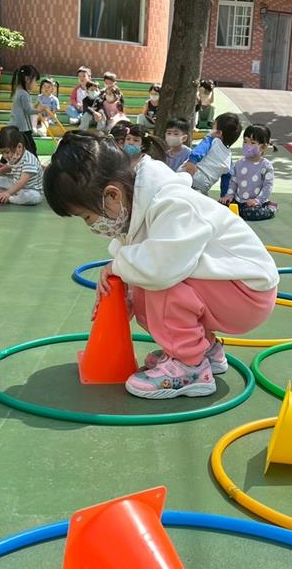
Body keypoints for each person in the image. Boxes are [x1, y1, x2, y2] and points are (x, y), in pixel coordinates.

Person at [43, 133, 279, 399]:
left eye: (87, 216)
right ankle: (205, 350)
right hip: (232, 289)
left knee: (158, 282)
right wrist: (125, 288)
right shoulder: (140, 204)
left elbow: (161, 268)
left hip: (247, 294)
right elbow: (144, 260)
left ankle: (190, 367)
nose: (90, 225)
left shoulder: (172, 203)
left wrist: (117, 267)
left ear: (112, 195)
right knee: (146, 283)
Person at [220, 124, 276, 221]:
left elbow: (268, 186)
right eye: (245, 142)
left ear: (263, 147)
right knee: (220, 206)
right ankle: (239, 212)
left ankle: (271, 208)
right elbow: (233, 182)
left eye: (252, 143)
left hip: (256, 204)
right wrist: (229, 196)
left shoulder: (266, 166)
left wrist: (258, 200)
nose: (247, 145)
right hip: (238, 201)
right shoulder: (239, 163)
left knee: (252, 213)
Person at [181, 112, 242, 195]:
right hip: (204, 185)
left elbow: (201, 149)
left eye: (213, 127)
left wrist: (192, 161)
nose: (210, 130)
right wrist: (224, 195)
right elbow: (227, 179)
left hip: (191, 173)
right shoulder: (229, 158)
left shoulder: (212, 140)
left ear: (218, 133)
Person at [10, 64, 39, 156]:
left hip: (17, 125)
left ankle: (3, 162)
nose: (36, 84)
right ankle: (36, 163)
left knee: (14, 147)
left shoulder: (18, 92)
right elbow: (29, 110)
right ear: (27, 79)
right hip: (22, 127)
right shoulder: (24, 94)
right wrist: (40, 110)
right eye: (35, 81)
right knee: (31, 148)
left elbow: (25, 108)